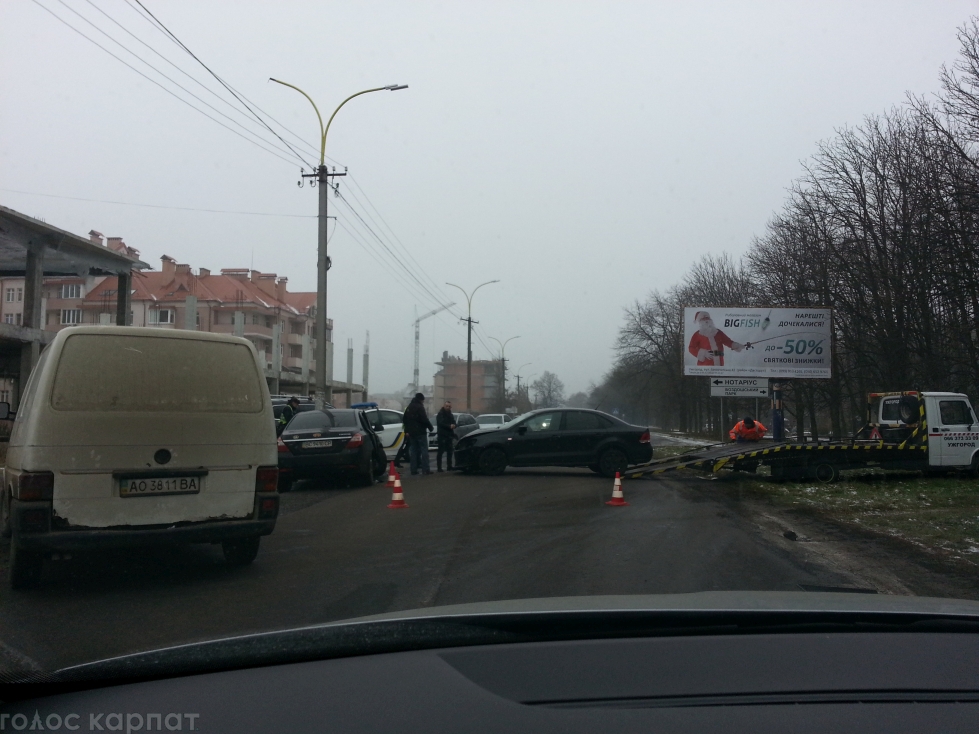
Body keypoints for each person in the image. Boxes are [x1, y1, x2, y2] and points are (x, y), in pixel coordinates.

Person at [402, 392, 434, 475]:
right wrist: (430, 427)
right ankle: (425, 469)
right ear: (421, 399)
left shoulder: (409, 407)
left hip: (412, 433)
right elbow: (424, 419)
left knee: (413, 451)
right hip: (420, 432)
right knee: (424, 450)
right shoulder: (420, 407)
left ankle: (413, 470)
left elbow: (405, 420)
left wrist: (407, 431)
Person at [435, 401, 456, 472]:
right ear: (444, 406)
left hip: (449, 435)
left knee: (450, 451)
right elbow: (441, 423)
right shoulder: (440, 414)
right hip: (442, 435)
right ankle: (439, 467)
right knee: (441, 451)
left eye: (449, 406)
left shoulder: (450, 414)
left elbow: (454, 421)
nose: (448, 408)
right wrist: (449, 426)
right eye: (447, 406)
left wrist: (454, 425)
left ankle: (449, 466)